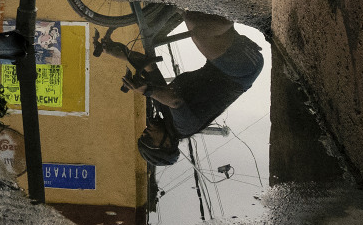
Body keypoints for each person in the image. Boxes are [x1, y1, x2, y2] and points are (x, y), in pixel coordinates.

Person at [105, 9, 265, 166]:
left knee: (190, 15)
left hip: (227, 61)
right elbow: (175, 102)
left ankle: (228, 4)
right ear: (167, 144)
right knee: (200, 34)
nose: (145, 132)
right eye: (148, 139)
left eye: (142, 136)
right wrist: (147, 91)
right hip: (241, 69)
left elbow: (148, 66)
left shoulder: (165, 111)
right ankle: (242, 9)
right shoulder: (184, 127)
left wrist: (119, 53)